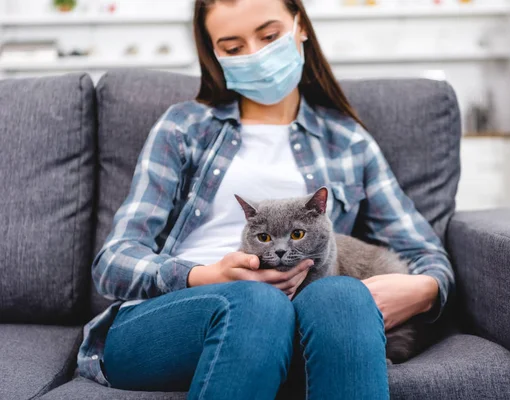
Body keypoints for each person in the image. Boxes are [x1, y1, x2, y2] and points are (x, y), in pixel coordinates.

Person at [75, 0, 455, 398]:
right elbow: (112, 263)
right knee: (259, 302)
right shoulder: (183, 127)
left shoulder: (348, 142)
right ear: (214, 54)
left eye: (270, 36)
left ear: (300, 26)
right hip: (181, 317)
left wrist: (425, 290)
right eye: (234, 47)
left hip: (305, 323)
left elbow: (423, 249)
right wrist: (205, 275)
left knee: (343, 295)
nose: (256, 55)